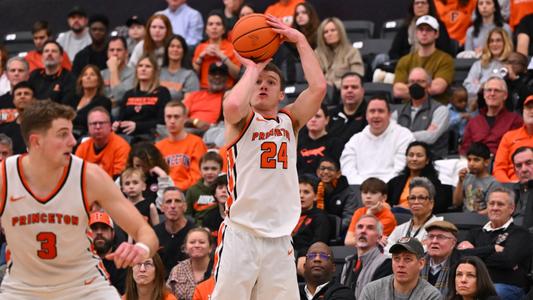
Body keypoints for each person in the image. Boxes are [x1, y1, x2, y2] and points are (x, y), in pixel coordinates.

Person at [211, 15, 327, 300]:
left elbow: (319, 88)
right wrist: (254, 65)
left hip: (279, 239)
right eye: (258, 82)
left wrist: (299, 40)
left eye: (271, 81)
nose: (263, 85)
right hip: (241, 234)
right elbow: (235, 103)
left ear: (280, 93)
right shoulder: (240, 120)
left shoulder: (291, 121)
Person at [0, 100, 158, 299]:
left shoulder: (89, 176)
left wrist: (141, 249)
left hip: (84, 285)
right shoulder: (5, 176)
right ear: (36, 141)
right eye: (62, 134)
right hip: (23, 288)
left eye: (71, 133)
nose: (73, 141)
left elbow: (145, 232)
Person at [457, 187, 532, 300]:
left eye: (500, 204)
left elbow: (508, 260)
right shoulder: (475, 232)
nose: (495, 208)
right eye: (491, 204)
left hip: (507, 287)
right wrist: (493, 249)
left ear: (511, 208)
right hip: (473, 283)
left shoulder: (521, 233)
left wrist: (475, 254)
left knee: (491, 294)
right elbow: (461, 256)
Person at [340, 96, 415, 186]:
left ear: (389, 115)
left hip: (393, 188)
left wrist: (379, 188)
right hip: (360, 189)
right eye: (372, 111)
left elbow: (401, 169)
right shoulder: (355, 140)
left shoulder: (404, 136)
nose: (376, 115)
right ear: (366, 115)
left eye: (381, 111)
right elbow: (348, 170)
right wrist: (365, 189)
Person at [393, 15, 454, 104]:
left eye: (428, 30)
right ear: (416, 33)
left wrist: (411, 87)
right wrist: (426, 86)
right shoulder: (404, 60)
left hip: (436, 107)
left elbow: (437, 88)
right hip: (409, 108)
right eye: (421, 29)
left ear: (436, 34)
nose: (424, 33)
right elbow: (397, 91)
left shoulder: (446, 59)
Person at [393, 67, 450, 159]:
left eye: (420, 81)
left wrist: (402, 136)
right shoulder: (398, 112)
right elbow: (390, 135)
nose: (415, 85)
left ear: (429, 85)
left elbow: (431, 137)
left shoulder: (440, 110)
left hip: (433, 160)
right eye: (412, 81)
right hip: (403, 158)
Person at [359, 237, 441, 299]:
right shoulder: (371, 291)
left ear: (421, 263)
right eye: (396, 258)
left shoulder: (431, 296)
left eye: (407, 259)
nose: (400, 264)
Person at [114, 55, 171, 142]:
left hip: (150, 136)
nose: (143, 69)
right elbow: (121, 118)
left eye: (148, 66)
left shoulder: (162, 92)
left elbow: (163, 121)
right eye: (140, 66)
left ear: (154, 72)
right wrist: (117, 124)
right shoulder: (129, 94)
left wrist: (137, 126)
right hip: (127, 136)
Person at [460, 76, 523, 155]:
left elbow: (517, 150)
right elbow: (465, 149)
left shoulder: (515, 120)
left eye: (497, 90)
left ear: (505, 95)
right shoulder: (473, 122)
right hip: (476, 165)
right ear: (484, 94)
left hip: (503, 164)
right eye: (489, 90)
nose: (492, 94)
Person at [155, 100, 207, 191]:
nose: (172, 121)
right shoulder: (158, 147)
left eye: (176, 117)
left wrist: (173, 188)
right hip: (162, 194)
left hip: (188, 193)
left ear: (185, 119)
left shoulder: (196, 143)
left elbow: (197, 178)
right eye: (169, 117)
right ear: (164, 118)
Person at [384, 177, 443, 254]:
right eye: (412, 198)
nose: (416, 202)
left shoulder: (440, 226)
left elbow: (426, 253)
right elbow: (386, 252)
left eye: (421, 198)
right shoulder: (399, 229)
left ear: (431, 203)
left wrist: (399, 251)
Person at [341, 215, 393, 299]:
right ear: (355, 234)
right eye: (360, 227)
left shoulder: (387, 264)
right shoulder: (348, 262)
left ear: (379, 238)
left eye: (370, 228)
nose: (363, 231)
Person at [387, 141, 446, 213]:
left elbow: (438, 206)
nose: (414, 159)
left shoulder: (433, 183)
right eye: (411, 155)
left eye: (419, 155)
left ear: (427, 160)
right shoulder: (395, 181)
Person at [75, 106, 130, 179]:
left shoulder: (121, 147)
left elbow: (119, 179)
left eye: (101, 123)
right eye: (94, 123)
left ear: (110, 125)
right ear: (88, 127)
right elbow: (76, 174)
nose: (98, 127)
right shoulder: (82, 147)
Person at [388, 0, 454, 60]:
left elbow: (446, 52)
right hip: (407, 65)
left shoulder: (438, 25)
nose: (420, 5)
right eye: (416, 3)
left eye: (423, 3)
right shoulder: (405, 27)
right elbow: (394, 52)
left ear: (429, 6)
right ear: (412, 7)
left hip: (433, 64)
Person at [192, 11, 240, 90]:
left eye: (218, 24)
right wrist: (201, 57)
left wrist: (222, 56)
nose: (214, 27)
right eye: (210, 24)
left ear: (224, 29)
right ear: (206, 30)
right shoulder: (200, 47)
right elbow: (193, 75)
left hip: (226, 90)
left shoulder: (231, 47)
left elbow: (236, 75)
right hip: (204, 90)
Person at [294, 176, 331, 276]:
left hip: (305, 256)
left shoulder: (320, 217)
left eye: (306, 192)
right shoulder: (288, 216)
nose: (301, 196)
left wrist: (302, 254)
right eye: (298, 192)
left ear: (315, 196)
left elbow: (319, 243)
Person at [153, 186, 195, 276]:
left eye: (177, 201)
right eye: (168, 201)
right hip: (160, 285)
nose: (172, 206)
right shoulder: (154, 234)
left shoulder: (195, 233)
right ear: (162, 207)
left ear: (185, 206)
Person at [314, 17, 364, 90]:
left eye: (333, 30)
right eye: (326, 32)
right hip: (323, 92)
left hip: (344, 90)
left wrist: (335, 85)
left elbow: (357, 75)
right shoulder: (317, 53)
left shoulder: (352, 52)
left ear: (340, 32)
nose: (329, 34)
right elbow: (312, 78)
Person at [463, 28, 513, 100]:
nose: (494, 44)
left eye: (498, 40)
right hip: (481, 102)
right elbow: (466, 86)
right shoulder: (479, 64)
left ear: (505, 43)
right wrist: (481, 86)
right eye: (491, 41)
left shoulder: (512, 62)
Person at [345, 178, 397, 246]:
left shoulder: (388, 217)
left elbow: (368, 241)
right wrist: (369, 213)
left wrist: (369, 214)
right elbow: (348, 241)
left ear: (384, 197)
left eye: (373, 193)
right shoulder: (359, 212)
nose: (368, 196)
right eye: (365, 192)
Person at [65, 64, 112, 139]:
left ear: (99, 81)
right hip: (68, 133)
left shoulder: (103, 101)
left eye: (92, 74)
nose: (88, 77)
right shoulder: (72, 98)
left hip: (88, 136)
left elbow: (88, 120)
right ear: (81, 79)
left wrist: (71, 118)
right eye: (85, 75)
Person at [493, 96, 533, 182]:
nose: (532, 111)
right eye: (529, 108)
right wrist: (509, 185)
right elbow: (499, 169)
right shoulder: (509, 137)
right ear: (523, 111)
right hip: (512, 187)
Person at [297, 103, 344, 175]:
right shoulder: (297, 142)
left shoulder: (336, 143)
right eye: (310, 116)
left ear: (327, 120)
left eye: (317, 116)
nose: (313, 120)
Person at [167, 227, 213, 300]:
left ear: (210, 248)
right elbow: (168, 296)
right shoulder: (177, 270)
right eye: (192, 242)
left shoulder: (219, 269)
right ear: (185, 248)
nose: (197, 245)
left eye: (201, 242)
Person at [453, 142, 500, 213]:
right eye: (469, 160)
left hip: (481, 220)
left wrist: (475, 217)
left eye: (476, 160)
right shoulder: (466, 177)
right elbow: (456, 203)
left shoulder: (493, 182)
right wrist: (460, 182)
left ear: (486, 162)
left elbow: (491, 209)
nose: (471, 163)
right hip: (464, 218)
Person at [314, 157, 357, 233]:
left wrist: (326, 228)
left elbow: (348, 219)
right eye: (322, 168)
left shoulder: (348, 193)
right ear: (317, 172)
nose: (326, 171)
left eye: (330, 169)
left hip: (338, 233)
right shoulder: (312, 189)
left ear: (338, 174)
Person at [126, 142, 174, 207]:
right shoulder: (124, 178)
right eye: (137, 165)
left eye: (145, 166)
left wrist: (163, 177)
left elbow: (163, 207)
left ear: (153, 164)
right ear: (131, 164)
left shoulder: (163, 178)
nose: (141, 170)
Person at [89, 211, 127, 294]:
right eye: (94, 228)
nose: (99, 232)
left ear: (113, 234)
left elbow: (125, 295)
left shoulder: (122, 261)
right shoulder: (82, 259)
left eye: (104, 228)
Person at [183, 63, 228, 131]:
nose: (217, 77)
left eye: (221, 74)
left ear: (226, 79)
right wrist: (195, 121)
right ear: (208, 76)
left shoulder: (228, 98)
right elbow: (179, 117)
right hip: (189, 130)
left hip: (214, 132)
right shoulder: (194, 95)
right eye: (213, 74)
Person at [327, 72, 367, 145]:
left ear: (362, 91)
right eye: (345, 87)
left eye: (354, 87)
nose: (349, 90)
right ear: (341, 91)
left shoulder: (370, 115)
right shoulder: (330, 115)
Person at [420, 220, 459, 296]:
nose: (434, 241)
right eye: (431, 236)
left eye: (441, 237)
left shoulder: (461, 264)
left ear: (453, 243)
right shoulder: (417, 262)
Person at [185, 151, 223, 225]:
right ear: (200, 170)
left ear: (220, 170)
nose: (209, 172)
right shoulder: (192, 191)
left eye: (214, 169)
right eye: (206, 169)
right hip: (200, 229)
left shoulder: (226, 189)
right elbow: (187, 215)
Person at [101, 36, 135, 116]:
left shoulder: (134, 73)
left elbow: (121, 97)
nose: (115, 53)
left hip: (124, 115)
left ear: (126, 53)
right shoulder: (101, 74)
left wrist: (113, 70)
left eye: (119, 50)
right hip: (102, 114)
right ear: (107, 53)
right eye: (111, 50)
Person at [160, 35, 199, 101]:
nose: (175, 49)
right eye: (172, 46)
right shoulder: (158, 72)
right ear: (167, 50)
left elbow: (190, 101)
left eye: (179, 47)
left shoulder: (190, 75)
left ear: (184, 51)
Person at [0, 81, 35, 154]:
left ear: (34, 100)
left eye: (26, 93)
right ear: (13, 101)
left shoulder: (43, 128)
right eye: (19, 94)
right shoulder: (4, 131)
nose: (22, 96)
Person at [508, 147, 533, 229]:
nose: (524, 169)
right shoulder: (510, 192)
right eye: (518, 165)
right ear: (514, 170)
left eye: (529, 163)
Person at [0, 57, 30, 125]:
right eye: (13, 70)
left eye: (20, 70)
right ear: (6, 75)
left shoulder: (37, 101)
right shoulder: (0, 101)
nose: (16, 74)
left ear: (28, 74)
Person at [202, 174, 228, 240]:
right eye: (220, 188)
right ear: (215, 194)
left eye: (227, 188)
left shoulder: (241, 216)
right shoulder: (208, 218)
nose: (224, 191)